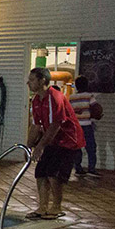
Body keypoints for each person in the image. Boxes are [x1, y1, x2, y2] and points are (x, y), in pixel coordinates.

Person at [26, 67, 85, 220]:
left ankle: (56, 207)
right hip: (53, 140)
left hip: (68, 141)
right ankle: (43, 206)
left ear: (42, 80)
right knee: (40, 172)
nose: (28, 83)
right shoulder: (37, 100)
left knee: (54, 174)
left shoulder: (54, 97)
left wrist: (40, 146)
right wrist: (28, 145)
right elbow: (36, 125)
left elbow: (55, 125)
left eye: (32, 80)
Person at [69, 76, 100, 177]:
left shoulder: (72, 97)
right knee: (91, 147)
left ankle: (78, 168)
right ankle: (91, 169)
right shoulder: (89, 96)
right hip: (86, 125)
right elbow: (96, 107)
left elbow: (69, 111)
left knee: (77, 147)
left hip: (75, 126)